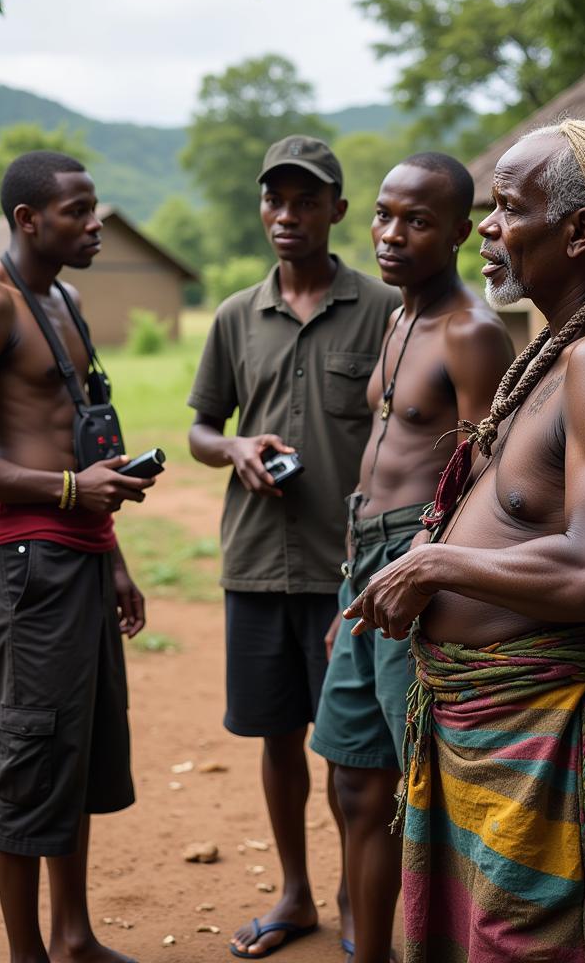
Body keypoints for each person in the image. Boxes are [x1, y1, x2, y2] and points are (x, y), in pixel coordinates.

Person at [346, 121, 585, 962]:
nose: (486, 227)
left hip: (564, 745)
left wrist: (435, 560)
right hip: (500, 737)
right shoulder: (563, 345)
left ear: (580, 231)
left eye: (509, 207)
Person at [0, 150, 153, 963]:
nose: (96, 223)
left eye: (95, 208)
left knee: (76, 751)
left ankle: (72, 936)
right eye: (78, 211)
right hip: (26, 566)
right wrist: (66, 493)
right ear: (28, 219)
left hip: (82, 555)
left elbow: (82, 439)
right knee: (30, 757)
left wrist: (115, 556)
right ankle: (27, 955)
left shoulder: (66, 295)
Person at [187, 135, 401, 958]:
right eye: (275, 199)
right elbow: (204, 426)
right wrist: (235, 449)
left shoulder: (385, 310)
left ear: (337, 211)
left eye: (306, 200)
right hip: (257, 563)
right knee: (278, 739)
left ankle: (359, 891)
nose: (287, 214)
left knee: (361, 751)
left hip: (356, 572)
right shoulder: (236, 316)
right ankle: (297, 892)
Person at [309, 153, 514, 963]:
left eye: (418, 221)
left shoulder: (472, 333)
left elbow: (487, 484)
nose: (392, 235)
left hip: (419, 562)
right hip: (365, 562)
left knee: (423, 783)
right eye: (385, 216)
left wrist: (416, 571)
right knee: (357, 780)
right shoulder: (398, 321)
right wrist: (353, 592)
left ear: (461, 232)